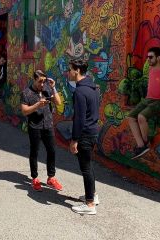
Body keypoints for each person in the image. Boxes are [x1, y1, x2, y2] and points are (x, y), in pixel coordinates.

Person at [127, 47, 160, 159]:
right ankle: (141, 145)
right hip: (148, 99)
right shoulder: (151, 70)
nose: (148, 59)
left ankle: (144, 143)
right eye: (147, 57)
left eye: (150, 57)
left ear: (158, 58)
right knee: (130, 117)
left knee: (141, 117)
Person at [20, 70, 63, 191]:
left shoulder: (47, 90)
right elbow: (24, 111)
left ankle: (51, 177)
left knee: (52, 151)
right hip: (35, 126)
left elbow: (59, 102)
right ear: (34, 80)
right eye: (40, 82)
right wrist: (37, 105)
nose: (42, 84)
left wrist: (53, 87)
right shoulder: (26, 93)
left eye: (44, 81)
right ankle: (34, 178)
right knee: (34, 152)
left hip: (48, 125)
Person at [68, 59, 100, 215]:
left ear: (77, 71)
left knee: (86, 168)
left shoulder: (80, 91)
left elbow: (79, 119)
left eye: (70, 70)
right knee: (88, 166)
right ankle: (92, 195)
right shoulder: (94, 88)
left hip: (85, 134)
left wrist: (74, 140)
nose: (69, 72)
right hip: (93, 131)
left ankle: (89, 204)